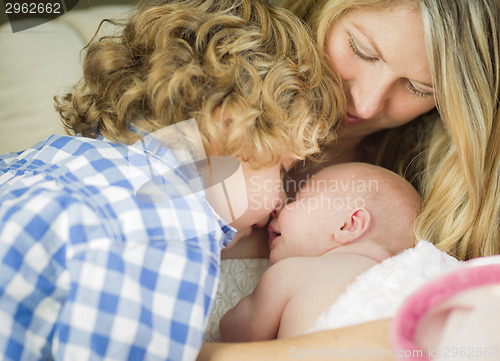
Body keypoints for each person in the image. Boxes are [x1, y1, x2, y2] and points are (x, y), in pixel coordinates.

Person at [0, 0, 344, 359]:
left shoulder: (61, 155)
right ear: (229, 126)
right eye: (283, 169)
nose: (281, 202)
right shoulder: (169, 229)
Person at [198, 0, 500, 359]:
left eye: (420, 88)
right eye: (363, 51)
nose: (368, 103)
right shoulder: (206, 113)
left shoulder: (440, 203)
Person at [219, 163, 420, 341]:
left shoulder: (295, 272)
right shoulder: (408, 286)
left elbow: (236, 332)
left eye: (298, 199)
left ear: (348, 225)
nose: (278, 208)